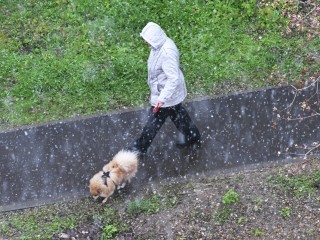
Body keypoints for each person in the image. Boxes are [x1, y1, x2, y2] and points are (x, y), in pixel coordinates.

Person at [129, 22, 200, 154]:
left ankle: (140, 147)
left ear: (154, 38)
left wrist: (162, 99)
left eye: (147, 40)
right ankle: (193, 136)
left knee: (154, 122)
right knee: (178, 116)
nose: (145, 43)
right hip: (169, 94)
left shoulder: (166, 52)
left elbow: (173, 78)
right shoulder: (157, 46)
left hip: (166, 95)